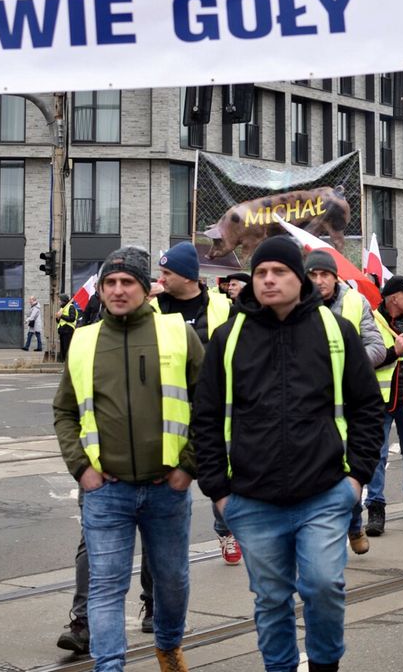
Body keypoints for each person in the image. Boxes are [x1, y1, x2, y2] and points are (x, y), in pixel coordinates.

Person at [192, 235, 384, 672]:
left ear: (300, 280)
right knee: (271, 597)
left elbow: (367, 407)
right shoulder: (229, 337)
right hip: (252, 498)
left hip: (323, 492)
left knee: (322, 585)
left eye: (279, 272)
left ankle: (324, 665)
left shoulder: (336, 331)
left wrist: (356, 477)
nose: (268, 280)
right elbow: (204, 416)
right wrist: (218, 490)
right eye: (261, 273)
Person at [52, 245, 203, 672]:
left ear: (145, 288)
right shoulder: (83, 341)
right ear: (100, 290)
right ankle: (109, 665)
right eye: (110, 283)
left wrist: (187, 465)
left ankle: (168, 645)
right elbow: (64, 410)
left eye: (127, 282)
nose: (118, 290)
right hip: (107, 491)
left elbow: (207, 403)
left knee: (172, 584)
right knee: (105, 586)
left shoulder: (177, 334)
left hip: (166, 489)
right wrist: (81, 468)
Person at [156, 241, 241, 567]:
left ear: (188, 276)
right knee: (170, 490)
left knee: (224, 477)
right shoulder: (154, 308)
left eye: (167, 272)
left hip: (216, 411)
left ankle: (225, 527)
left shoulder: (221, 307)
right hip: (169, 415)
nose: (161, 279)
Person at [304, 249, 387, 554]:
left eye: (324, 274)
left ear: (335, 278)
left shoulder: (354, 302)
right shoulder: (295, 306)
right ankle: (335, 532)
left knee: (346, 467)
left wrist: (345, 363)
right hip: (311, 403)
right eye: (312, 275)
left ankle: (353, 524)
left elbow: (377, 346)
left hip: (348, 402)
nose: (319, 281)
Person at [364, 274, 403, 538]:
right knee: (377, 457)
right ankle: (375, 508)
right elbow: (363, 360)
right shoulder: (371, 321)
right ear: (393, 298)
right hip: (379, 401)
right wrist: (394, 353)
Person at [57, 294, 78, 361]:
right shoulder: (62, 308)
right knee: (63, 349)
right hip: (62, 331)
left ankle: (68, 364)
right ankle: (64, 363)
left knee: (67, 348)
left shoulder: (71, 307)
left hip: (68, 330)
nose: (58, 301)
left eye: (60, 300)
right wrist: (57, 317)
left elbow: (72, 318)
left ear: (63, 301)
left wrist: (61, 315)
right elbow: (59, 321)